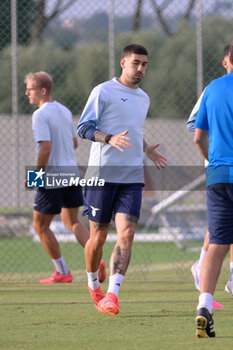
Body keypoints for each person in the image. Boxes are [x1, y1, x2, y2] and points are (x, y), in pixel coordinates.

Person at [77, 44, 167, 315]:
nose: (140, 69)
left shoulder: (144, 98)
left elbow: (134, 132)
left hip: (131, 176)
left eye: (144, 65)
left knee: (127, 233)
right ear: (123, 62)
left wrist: (146, 148)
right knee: (99, 237)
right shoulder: (103, 91)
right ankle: (94, 286)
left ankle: (113, 295)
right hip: (102, 175)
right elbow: (83, 128)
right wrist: (109, 138)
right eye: (136, 63)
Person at [25, 71, 106, 284]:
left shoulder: (39, 115)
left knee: (40, 226)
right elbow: (75, 143)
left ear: (42, 91)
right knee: (73, 222)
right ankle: (97, 258)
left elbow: (45, 148)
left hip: (52, 176)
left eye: (30, 89)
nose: (27, 93)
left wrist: (35, 176)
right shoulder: (64, 110)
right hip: (71, 174)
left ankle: (62, 272)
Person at [194, 40, 233, 338]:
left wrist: (214, 161)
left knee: (217, 244)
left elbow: (198, 136)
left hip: (218, 174)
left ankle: (203, 305)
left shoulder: (212, 89)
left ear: (226, 61)